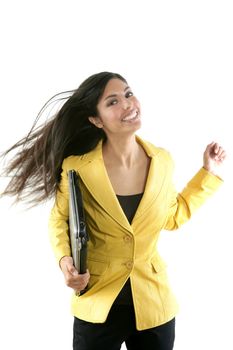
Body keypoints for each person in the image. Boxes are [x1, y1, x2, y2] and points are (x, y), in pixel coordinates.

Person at [0, 71, 226, 350]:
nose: (128, 104)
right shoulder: (77, 167)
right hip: (97, 302)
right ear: (96, 120)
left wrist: (208, 173)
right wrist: (65, 262)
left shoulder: (162, 161)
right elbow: (59, 220)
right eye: (113, 102)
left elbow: (172, 216)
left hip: (154, 305)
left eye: (129, 94)